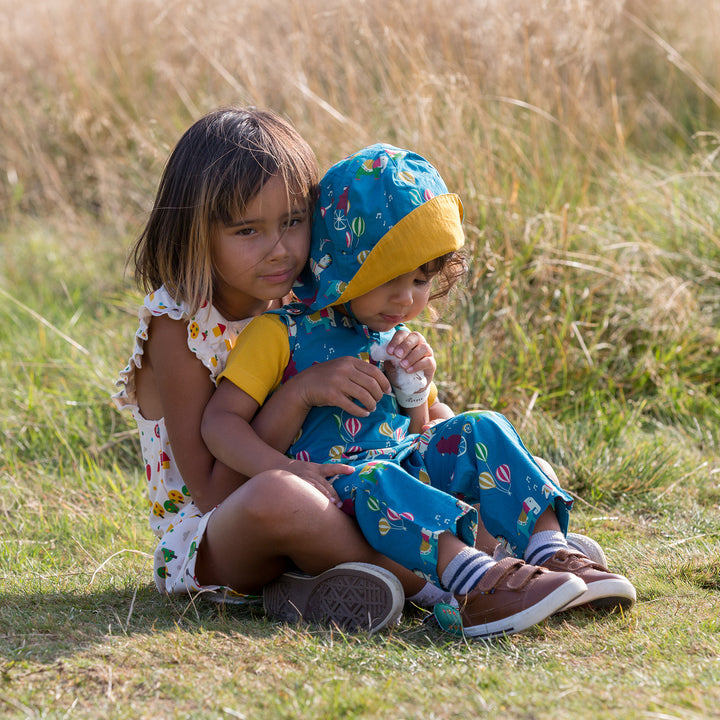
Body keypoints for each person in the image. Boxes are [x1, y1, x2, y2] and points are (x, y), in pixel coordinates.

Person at [202, 143, 637, 639]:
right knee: (380, 478)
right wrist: (288, 464)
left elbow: (423, 434)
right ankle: (475, 584)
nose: (405, 298)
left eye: (421, 280)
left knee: (483, 425)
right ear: (343, 264)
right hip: (341, 486)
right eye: (387, 279)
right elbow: (219, 424)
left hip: (400, 475)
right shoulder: (281, 334)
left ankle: (553, 553)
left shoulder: (394, 337)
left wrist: (417, 394)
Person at [113, 108, 442, 634]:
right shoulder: (179, 327)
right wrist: (299, 396)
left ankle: (310, 584)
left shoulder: (300, 302)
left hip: (332, 486)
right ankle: (443, 581)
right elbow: (216, 490)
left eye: (293, 221)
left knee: (454, 427)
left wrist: (411, 382)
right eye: (248, 230)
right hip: (223, 535)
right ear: (196, 232)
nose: (281, 249)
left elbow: (391, 428)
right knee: (282, 498)